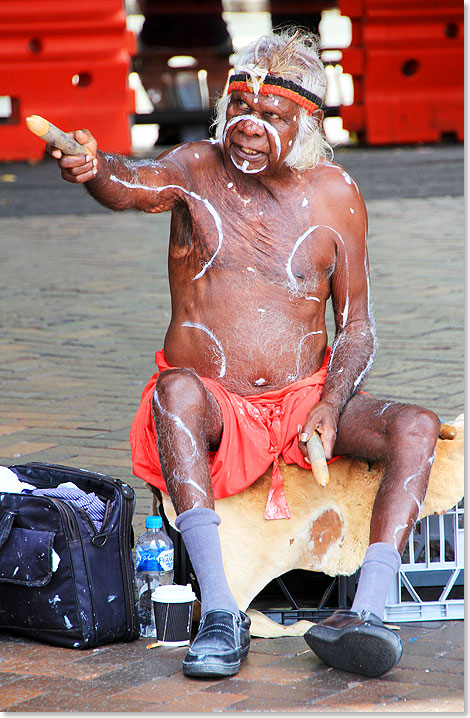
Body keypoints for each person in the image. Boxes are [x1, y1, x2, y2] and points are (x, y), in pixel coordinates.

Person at [49, 27, 441, 680]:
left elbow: (358, 328)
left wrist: (330, 404)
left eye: (271, 115)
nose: (249, 126)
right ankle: (223, 615)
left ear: (309, 123)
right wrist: (95, 171)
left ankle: (366, 614)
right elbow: (129, 184)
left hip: (306, 399)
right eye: (240, 108)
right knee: (172, 392)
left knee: (418, 426)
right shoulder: (195, 168)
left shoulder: (337, 193)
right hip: (217, 403)